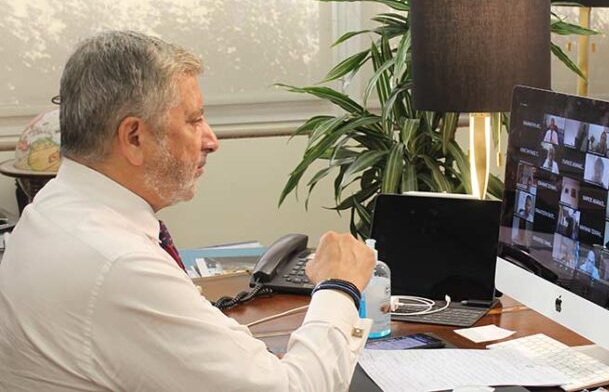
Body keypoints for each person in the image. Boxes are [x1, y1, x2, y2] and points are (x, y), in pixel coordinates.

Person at [0, 31, 376, 391]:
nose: (211, 141)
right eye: (194, 120)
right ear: (134, 137)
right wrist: (338, 285)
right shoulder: (120, 265)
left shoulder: (48, 211)